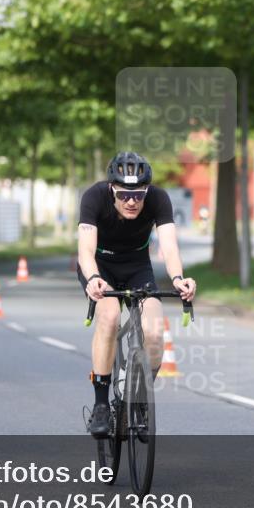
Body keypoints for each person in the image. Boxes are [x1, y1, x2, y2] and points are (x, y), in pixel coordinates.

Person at [77, 152, 197, 437]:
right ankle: (102, 405)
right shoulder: (94, 197)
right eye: (123, 194)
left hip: (137, 266)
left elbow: (169, 246)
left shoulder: (158, 199)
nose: (132, 202)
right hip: (100, 266)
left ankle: (140, 399)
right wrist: (93, 278)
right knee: (110, 317)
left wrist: (178, 278)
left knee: (154, 332)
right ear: (111, 189)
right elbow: (85, 250)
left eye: (139, 195)